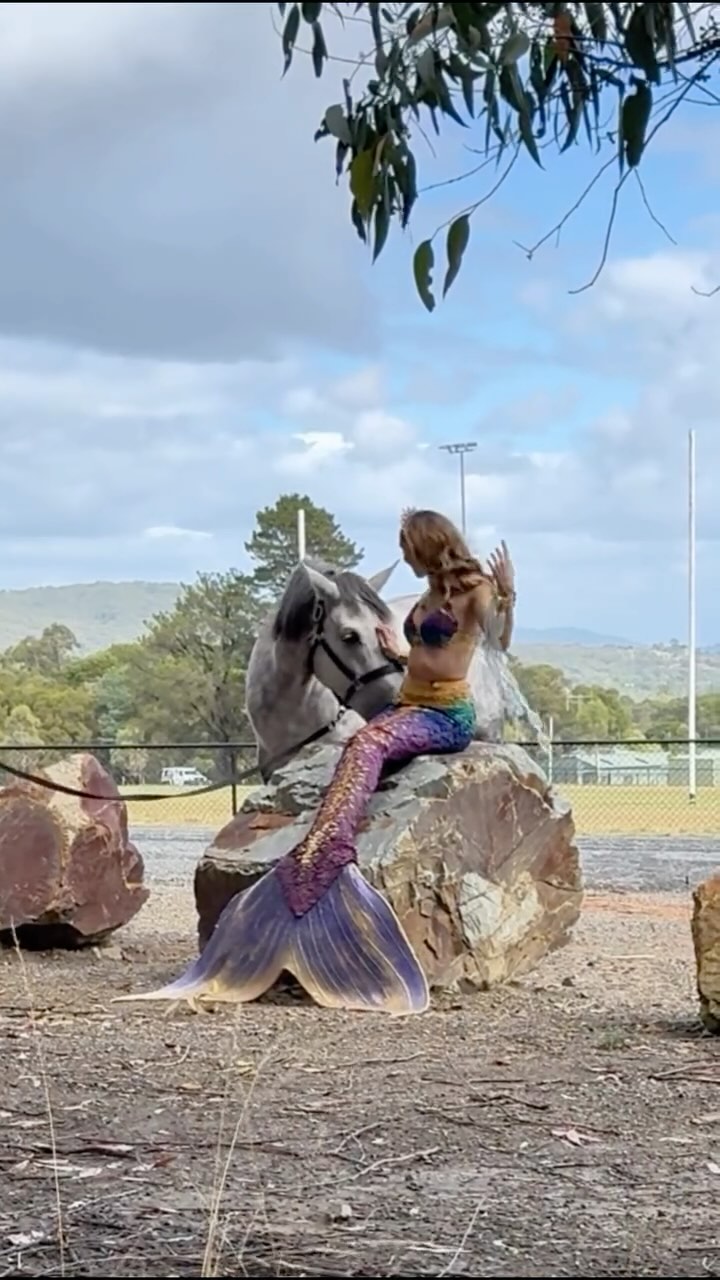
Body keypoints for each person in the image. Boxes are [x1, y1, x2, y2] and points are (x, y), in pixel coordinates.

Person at [115, 509, 517, 1019]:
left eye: (408, 546)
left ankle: (327, 855)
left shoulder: (476, 590)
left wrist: (509, 595)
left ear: (430, 545)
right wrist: (398, 650)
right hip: (409, 701)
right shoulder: (431, 593)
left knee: (365, 745)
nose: (405, 557)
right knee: (357, 743)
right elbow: (423, 646)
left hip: (445, 714)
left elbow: (498, 641)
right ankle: (321, 850)